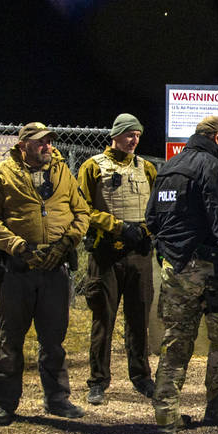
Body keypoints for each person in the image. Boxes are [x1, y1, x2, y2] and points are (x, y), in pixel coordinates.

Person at [145, 116, 218, 434]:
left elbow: (152, 219)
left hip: (175, 269)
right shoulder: (213, 168)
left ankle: (165, 413)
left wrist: (170, 253)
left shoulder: (169, 167)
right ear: (217, 137)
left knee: (176, 339)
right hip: (211, 270)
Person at [0, 121, 91, 426]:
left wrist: (65, 243)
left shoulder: (62, 172)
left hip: (55, 268)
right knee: (10, 338)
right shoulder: (4, 174)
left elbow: (82, 213)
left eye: (50, 141)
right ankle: (4, 403)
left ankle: (57, 399)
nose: (47, 146)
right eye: (40, 142)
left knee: (53, 339)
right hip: (17, 269)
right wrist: (16, 246)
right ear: (23, 144)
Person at [76, 113, 158, 406]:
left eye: (137, 135)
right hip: (106, 253)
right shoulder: (93, 167)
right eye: (129, 135)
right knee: (103, 319)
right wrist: (118, 226)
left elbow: (156, 208)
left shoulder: (146, 168)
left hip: (139, 254)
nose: (134, 140)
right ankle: (98, 381)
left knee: (139, 318)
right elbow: (82, 209)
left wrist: (145, 231)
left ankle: (141, 376)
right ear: (115, 135)